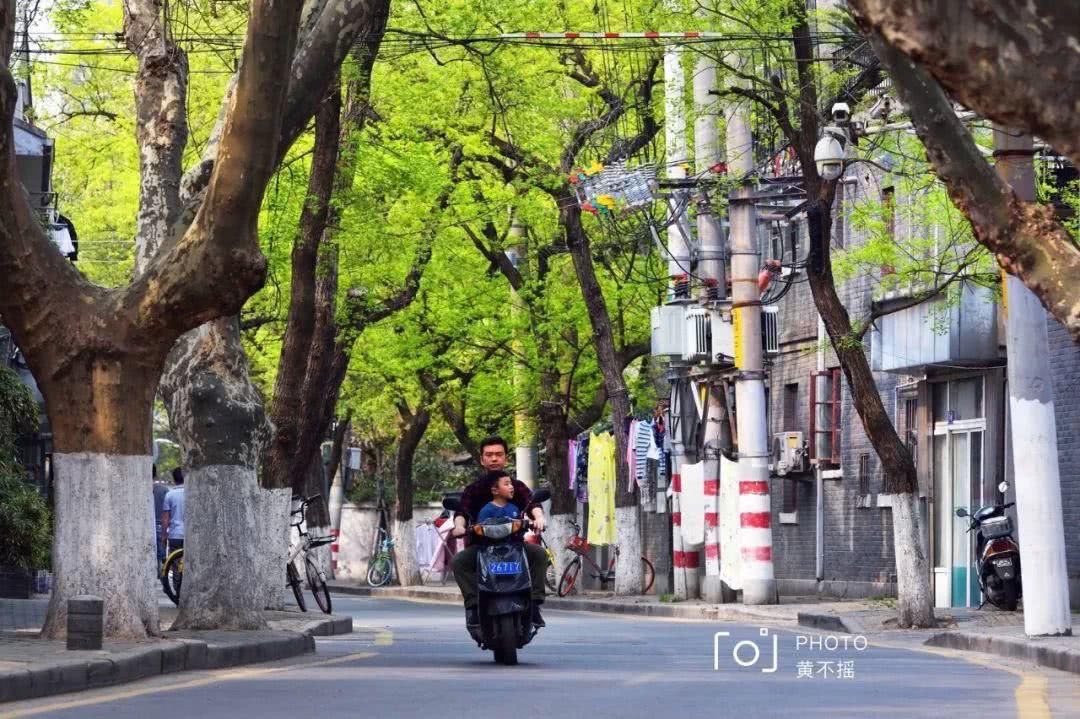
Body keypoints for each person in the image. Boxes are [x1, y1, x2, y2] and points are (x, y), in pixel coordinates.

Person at [451, 437, 548, 629]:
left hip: (514, 545)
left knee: (539, 555)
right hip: (481, 547)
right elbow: (462, 511)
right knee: (459, 562)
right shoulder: (474, 489)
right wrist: (459, 526)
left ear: (506, 458)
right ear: (482, 460)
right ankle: (473, 606)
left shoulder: (516, 486)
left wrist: (539, 518)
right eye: (489, 455)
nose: (494, 459)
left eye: (498, 454)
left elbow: (533, 504)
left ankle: (534, 604)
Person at [161, 468, 186, 554]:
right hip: (190, 535)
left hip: (175, 535)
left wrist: (164, 535)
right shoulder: (193, 493)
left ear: (174, 479)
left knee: (175, 564)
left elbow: (165, 519)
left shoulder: (169, 495)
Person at [152, 465, 169, 562]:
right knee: (161, 556)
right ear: (155, 474)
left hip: (145, 527)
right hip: (160, 526)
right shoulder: (164, 490)